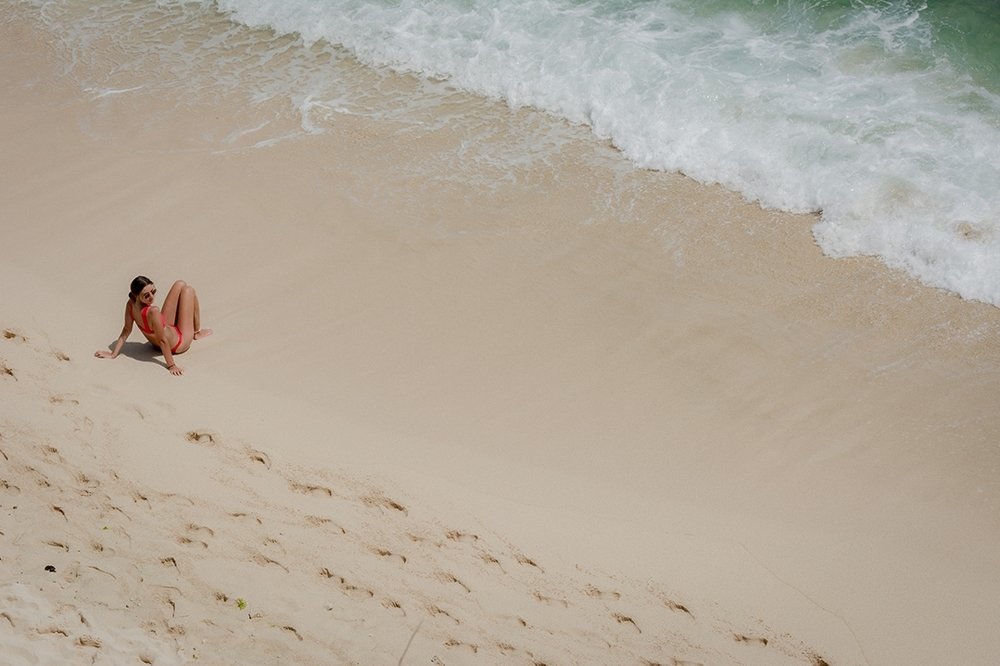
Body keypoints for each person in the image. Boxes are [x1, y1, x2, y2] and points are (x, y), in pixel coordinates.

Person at [95, 276, 212, 375]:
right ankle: (196, 333)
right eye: (146, 295)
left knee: (180, 284)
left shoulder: (131, 304)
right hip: (178, 343)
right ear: (136, 296)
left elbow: (126, 330)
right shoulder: (153, 311)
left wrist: (113, 354)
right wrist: (171, 365)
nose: (152, 297)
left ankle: (194, 330)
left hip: (163, 336)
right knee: (189, 290)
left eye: (153, 292)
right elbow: (162, 340)